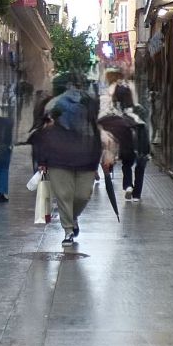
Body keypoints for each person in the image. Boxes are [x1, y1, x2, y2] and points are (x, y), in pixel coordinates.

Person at [31, 74, 101, 248]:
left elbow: (96, 130)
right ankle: (68, 230)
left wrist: (99, 155)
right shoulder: (52, 106)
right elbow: (43, 133)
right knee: (63, 195)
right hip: (58, 157)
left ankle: (73, 218)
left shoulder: (90, 104)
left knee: (83, 195)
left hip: (85, 157)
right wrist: (42, 160)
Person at [111, 83, 151, 199]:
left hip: (126, 141)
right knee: (140, 167)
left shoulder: (117, 110)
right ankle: (137, 195)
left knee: (127, 164)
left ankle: (128, 185)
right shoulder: (139, 108)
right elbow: (146, 126)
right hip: (141, 139)